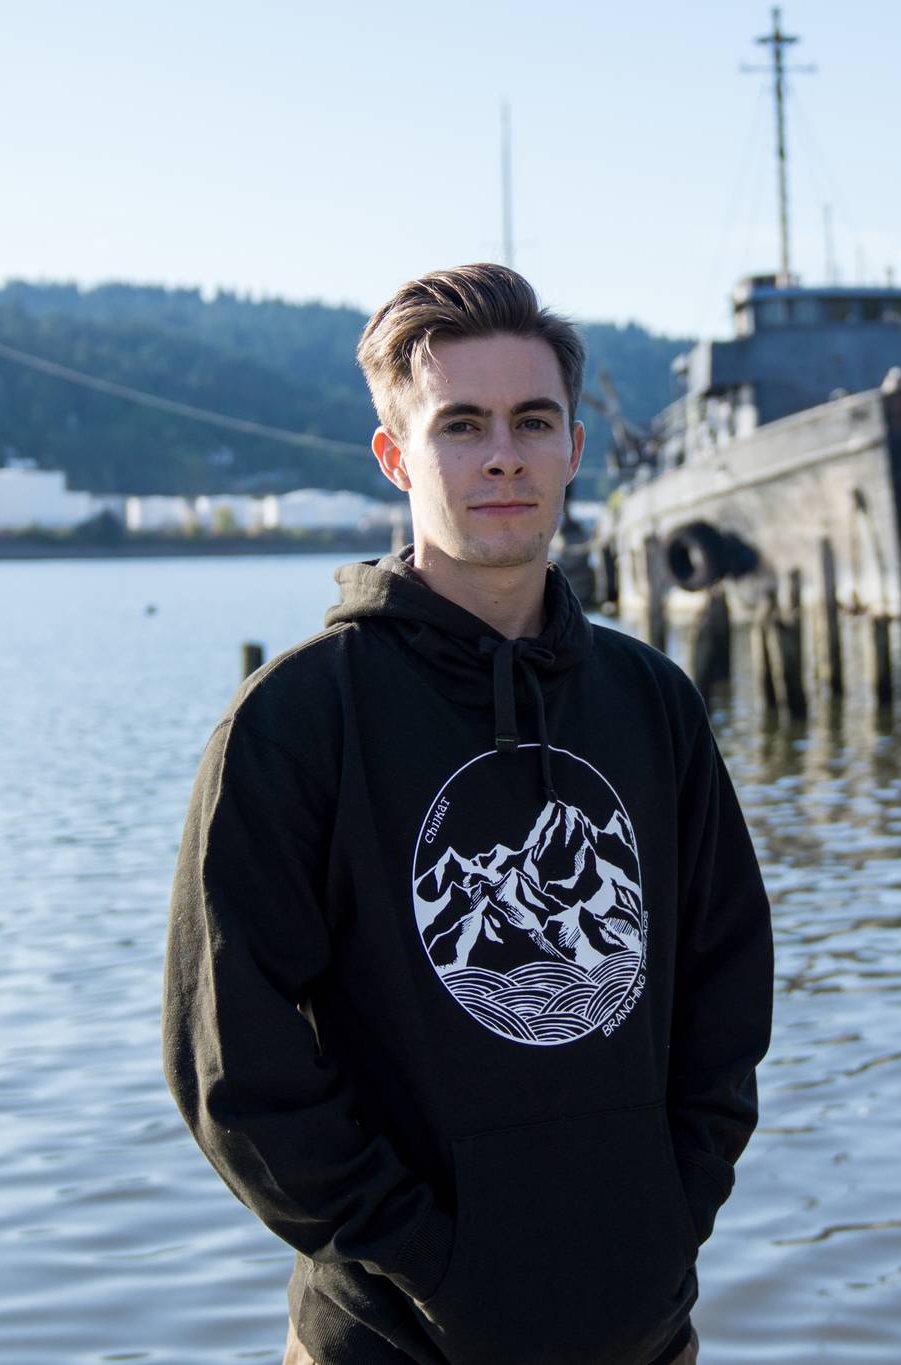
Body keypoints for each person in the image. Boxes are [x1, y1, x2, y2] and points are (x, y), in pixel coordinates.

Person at [162, 263, 773, 1365]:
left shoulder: (651, 705)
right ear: (396, 456)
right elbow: (233, 1066)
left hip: (639, 1332)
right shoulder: (298, 721)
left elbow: (727, 994)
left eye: (533, 422)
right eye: (461, 425)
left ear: (573, 452)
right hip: (394, 1341)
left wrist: (666, 1218)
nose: (503, 454)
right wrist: (431, 1262)